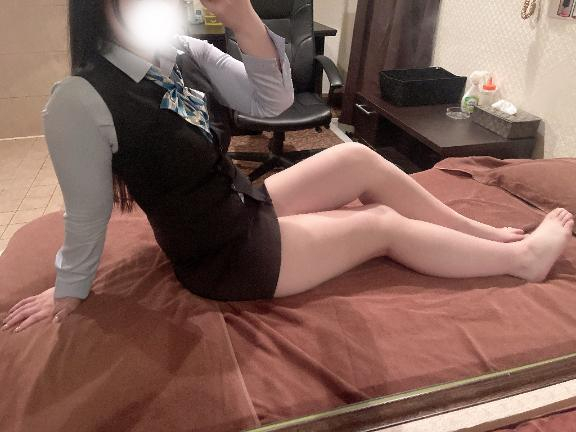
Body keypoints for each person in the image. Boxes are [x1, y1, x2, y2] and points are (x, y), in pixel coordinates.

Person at [2, 0, 573, 334]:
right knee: (380, 225)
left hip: (240, 204)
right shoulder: (78, 99)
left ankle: (485, 233)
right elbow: (87, 214)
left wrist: (244, 17)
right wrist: (68, 291)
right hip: (223, 257)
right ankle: (520, 260)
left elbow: (272, 102)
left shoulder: (178, 52)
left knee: (356, 158)